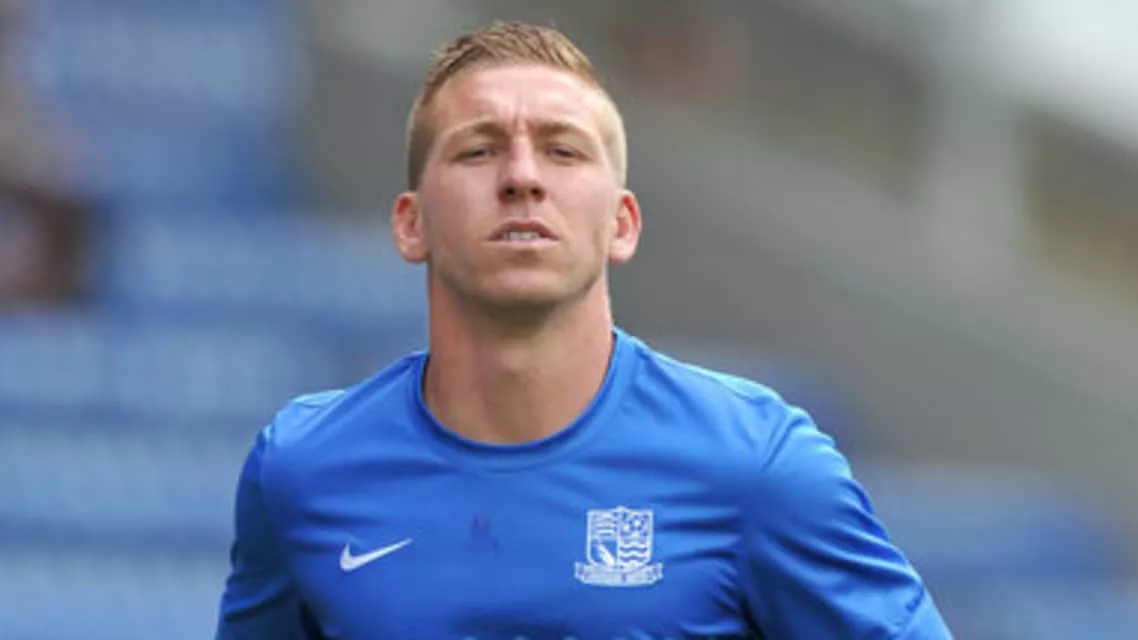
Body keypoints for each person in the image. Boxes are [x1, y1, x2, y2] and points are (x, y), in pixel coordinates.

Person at [216, 20, 952, 639]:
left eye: (563, 151)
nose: (522, 177)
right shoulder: (304, 469)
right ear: (412, 224)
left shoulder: (756, 464)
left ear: (621, 224)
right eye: (479, 150)